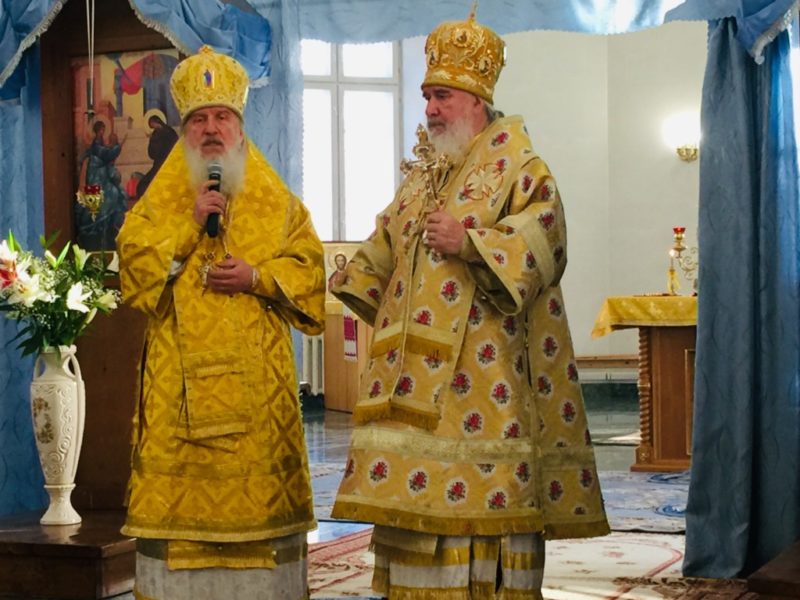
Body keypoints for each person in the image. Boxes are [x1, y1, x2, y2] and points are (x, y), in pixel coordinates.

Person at [330, 9, 609, 598]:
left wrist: (472, 243)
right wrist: (338, 276)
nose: (430, 109)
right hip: (410, 387)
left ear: (477, 101)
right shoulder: (423, 176)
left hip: (487, 382)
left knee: (485, 513)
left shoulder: (521, 168)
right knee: (412, 510)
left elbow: (548, 239)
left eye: (443, 97)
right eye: (427, 96)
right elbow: (387, 244)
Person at [116, 46, 326, 600]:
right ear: (185, 130)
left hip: (258, 397)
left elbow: (310, 270)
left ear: (239, 126)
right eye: (199, 119)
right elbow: (133, 269)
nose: (211, 129)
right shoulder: (161, 201)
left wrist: (258, 276)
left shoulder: (277, 202)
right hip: (178, 395)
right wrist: (188, 229)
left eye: (222, 117)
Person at [76, 119, 128, 250]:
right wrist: (117, 146)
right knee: (109, 195)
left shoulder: (100, 142)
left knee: (116, 193)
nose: (103, 132)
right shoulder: (97, 143)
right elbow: (107, 154)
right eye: (102, 129)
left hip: (101, 174)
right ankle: (99, 227)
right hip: (96, 176)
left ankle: (109, 227)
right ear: (99, 130)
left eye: (104, 130)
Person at [135, 112, 179, 200]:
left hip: (167, 164)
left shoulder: (169, 132)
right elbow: (152, 154)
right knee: (143, 185)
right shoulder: (157, 134)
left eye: (153, 125)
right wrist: (152, 140)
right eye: (151, 126)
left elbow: (176, 147)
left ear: (157, 121)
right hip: (159, 164)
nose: (153, 127)